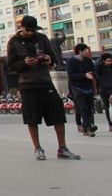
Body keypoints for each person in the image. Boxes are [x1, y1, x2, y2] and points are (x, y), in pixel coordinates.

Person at [6, 15, 80, 160]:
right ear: (21, 27)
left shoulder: (42, 38)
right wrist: (25, 63)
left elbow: (53, 57)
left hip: (45, 82)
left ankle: (62, 148)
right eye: (28, 30)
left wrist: (49, 59)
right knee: (32, 118)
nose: (31, 33)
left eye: (33, 30)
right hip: (27, 84)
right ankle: (38, 148)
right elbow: (11, 66)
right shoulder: (13, 42)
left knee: (58, 115)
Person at [66, 43, 97, 137]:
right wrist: (84, 75)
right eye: (85, 50)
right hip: (76, 87)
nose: (87, 52)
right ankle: (88, 127)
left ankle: (88, 126)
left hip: (88, 87)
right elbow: (71, 75)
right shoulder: (71, 61)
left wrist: (92, 74)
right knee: (82, 107)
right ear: (80, 51)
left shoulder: (88, 61)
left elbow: (94, 71)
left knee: (89, 107)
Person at [97, 52, 112, 133]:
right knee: (107, 107)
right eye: (108, 61)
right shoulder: (100, 68)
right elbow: (96, 67)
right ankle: (110, 124)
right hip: (104, 90)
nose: (109, 62)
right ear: (103, 61)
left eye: (110, 61)